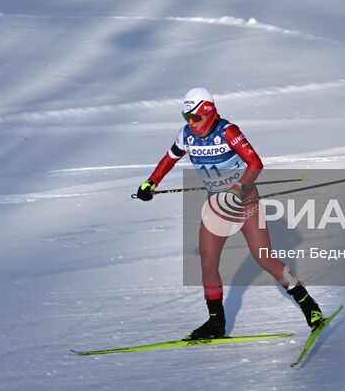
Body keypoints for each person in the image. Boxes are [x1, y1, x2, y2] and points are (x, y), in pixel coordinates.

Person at [135, 88, 325, 340]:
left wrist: (237, 189)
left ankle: (309, 306)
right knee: (208, 261)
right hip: (216, 206)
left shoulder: (227, 132)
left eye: (195, 117)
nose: (191, 123)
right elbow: (169, 159)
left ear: (209, 112)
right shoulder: (186, 136)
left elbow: (255, 163)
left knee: (264, 258)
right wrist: (151, 183)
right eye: (186, 118)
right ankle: (216, 323)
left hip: (245, 202)